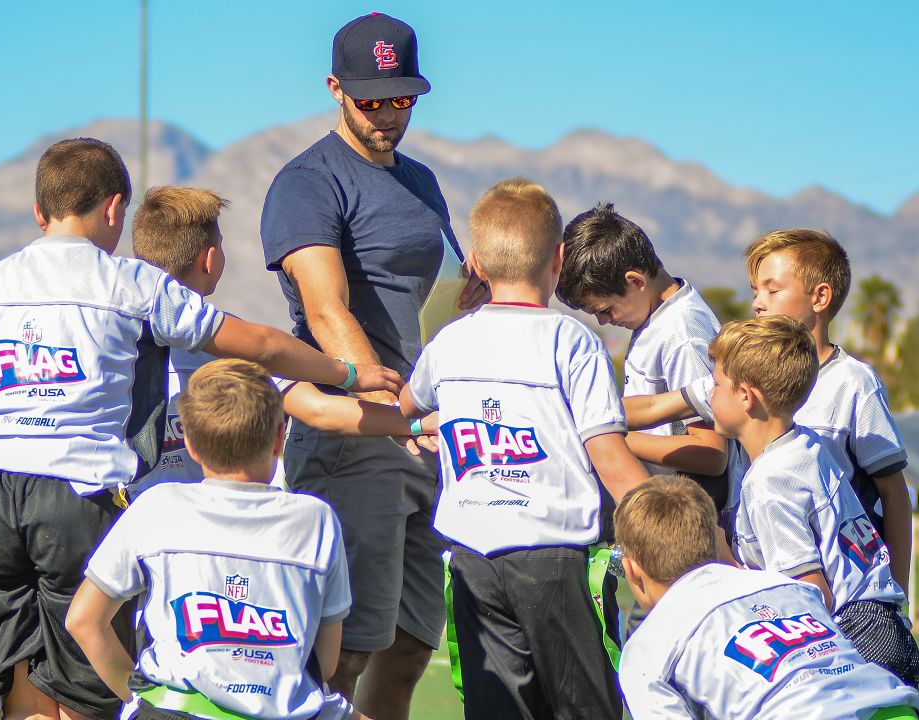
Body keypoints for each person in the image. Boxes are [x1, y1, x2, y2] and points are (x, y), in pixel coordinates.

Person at [0, 138, 401, 720]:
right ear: (116, 209)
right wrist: (348, 370)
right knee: (83, 686)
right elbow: (266, 346)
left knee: (19, 680)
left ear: (39, 210)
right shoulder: (127, 282)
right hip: (76, 493)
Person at [259, 13, 485, 716]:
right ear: (335, 89)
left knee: (414, 640)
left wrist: (466, 297)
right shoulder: (307, 182)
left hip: (424, 436)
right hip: (355, 439)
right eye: (371, 100)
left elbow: (428, 290)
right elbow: (327, 312)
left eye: (402, 99)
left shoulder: (420, 181)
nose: (388, 115)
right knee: (345, 650)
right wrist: (389, 412)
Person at [400, 179, 648, 719]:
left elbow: (406, 406)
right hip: (555, 554)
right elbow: (609, 457)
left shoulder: (451, 341)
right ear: (559, 259)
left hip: (472, 559)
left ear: (476, 265)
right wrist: (675, 537)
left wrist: (432, 423)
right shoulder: (572, 339)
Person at [68, 359, 367, 720]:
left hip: (171, 710)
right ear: (278, 438)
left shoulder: (157, 506)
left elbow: (83, 620)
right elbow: (327, 662)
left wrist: (136, 698)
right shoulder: (316, 518)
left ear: (190, 444)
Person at [624, 229, 914, 592]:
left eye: (772, 290)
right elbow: (651, 406)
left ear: (820, 297)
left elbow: (894, 493)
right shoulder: (739, 377)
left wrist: (897, 592)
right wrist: (591, 419)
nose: (757, 303)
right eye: (754, 291)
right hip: (765, 582)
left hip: (834, 595)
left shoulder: (854, 383)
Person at [125, 186, 437, 499]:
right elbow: (320, 410)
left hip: (132, 517)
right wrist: (412, 422)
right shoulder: (236, 342)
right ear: (209, 259)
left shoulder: (117, 338)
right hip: (219, 518)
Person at [706, 315, 919, 686]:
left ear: (746, 397)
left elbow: (809, 595)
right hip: (886, 626)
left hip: (852, 639)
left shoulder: (770, 483)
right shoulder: (806, 444)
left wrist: (725, 561)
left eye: (716, 384)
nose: (709, 394)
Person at [615, 475, 919, 720]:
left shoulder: (647, 645)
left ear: (631, 570)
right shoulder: (787, 587)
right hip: (897, 706)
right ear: (715, 543)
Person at [555, 202, 729, 508]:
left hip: (687, 519)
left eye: (605, 309)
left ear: (635, 281)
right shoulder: (656, 317)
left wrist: (609, 438)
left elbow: (712, 454)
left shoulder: (682, 336)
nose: (604, 321)